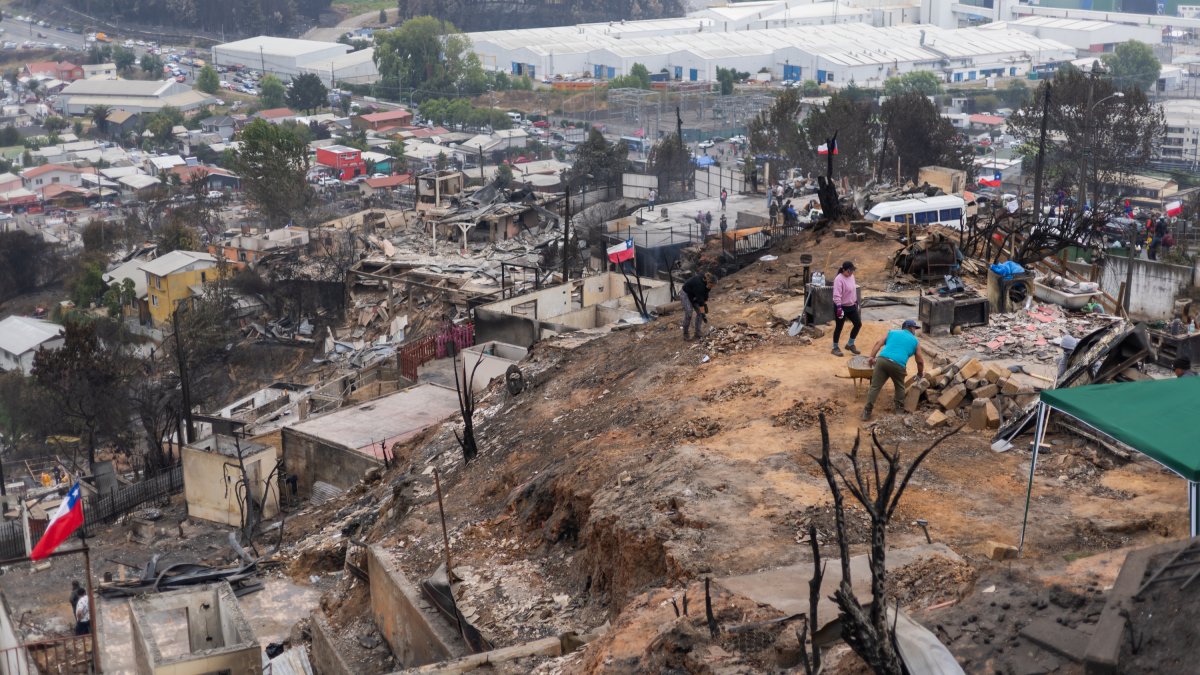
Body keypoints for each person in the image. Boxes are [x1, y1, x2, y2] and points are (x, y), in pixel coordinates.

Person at [862, 319, 926, 421]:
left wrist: (871, 357)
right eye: (914, 328)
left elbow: (878, 343)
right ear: (909, 327)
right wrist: (920, 373)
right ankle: (899, 410)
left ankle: (867, 411)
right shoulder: (915, 341)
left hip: (882, 361)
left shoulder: (892, 332)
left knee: (875, 387)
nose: (915, 330)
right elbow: (920, 361)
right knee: (899, 386)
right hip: (898, 365)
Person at [831, 261, 862, 356]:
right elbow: (836, 295)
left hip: (851, 306)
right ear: (843, 270)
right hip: (841, 306)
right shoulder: (838, 279)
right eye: (849, 271)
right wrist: (839, 308)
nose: (851, 273)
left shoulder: (851, 277)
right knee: (839, 327)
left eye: (852, 271)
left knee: (858, 324)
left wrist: (856, 301)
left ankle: (850, 344)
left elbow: (853, 290)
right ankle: (835, 347)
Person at [681, 272, 715, 340]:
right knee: (689, 313)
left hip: (694, 294)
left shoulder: (708, 284)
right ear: (708, 282)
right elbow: (700, 301)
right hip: (686, 294)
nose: (712, 287)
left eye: (713, 286)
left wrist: (705, 304)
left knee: (700, 313)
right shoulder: (699, 285)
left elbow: (705, 294)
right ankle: (685, 334)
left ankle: (697, 333)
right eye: (711, 286)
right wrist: (703, 314)